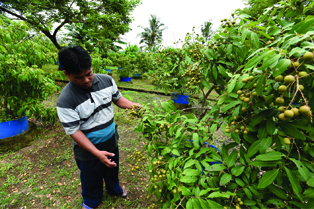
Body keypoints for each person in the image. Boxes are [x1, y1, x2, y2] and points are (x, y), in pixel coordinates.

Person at [56, 45, 141, 209]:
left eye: (89, 74)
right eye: (79, 77)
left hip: (110, 140)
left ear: (92, 67)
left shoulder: (107, 81)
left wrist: (132, 105)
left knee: (112, 170)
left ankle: (114, 189)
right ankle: (91, 200)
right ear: (67, 74)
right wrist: (96, 153)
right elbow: (74, 131)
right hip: (88, 150)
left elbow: (118, 99)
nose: (86, 80)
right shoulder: (65, 101)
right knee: (90, 177)